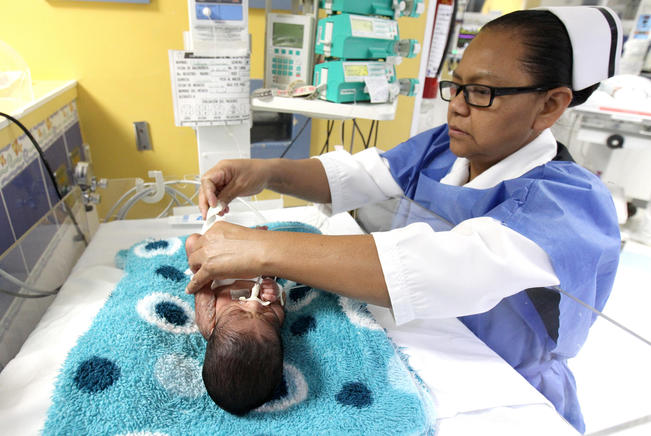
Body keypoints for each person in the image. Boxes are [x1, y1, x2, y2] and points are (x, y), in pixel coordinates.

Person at [185, 6, 622, 432]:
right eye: (457, 85)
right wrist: (264, 172)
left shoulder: (570, 203)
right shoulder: (445, 148)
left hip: (496, 378)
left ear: (549, 105)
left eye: (483, 92)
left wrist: (264, 251)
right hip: (408, 350)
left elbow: (449, 266)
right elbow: (354, 176)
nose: (457, 107)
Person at [189, 247, 285, 416]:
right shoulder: (275, 321)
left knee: (193, 243)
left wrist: (205, 269)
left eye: (238, 312)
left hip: (220, 270)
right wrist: (273, 292)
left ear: (213, 332)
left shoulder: (209, 321)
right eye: (265, 316)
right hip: (257, 267)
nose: (254, 304)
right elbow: (278, 304)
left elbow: (201, 287)